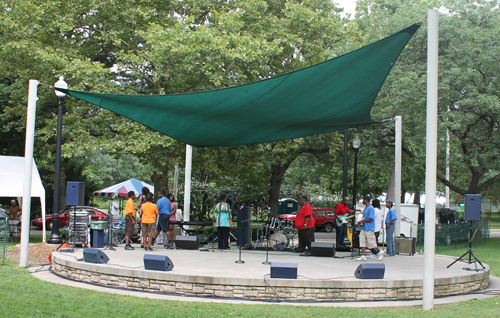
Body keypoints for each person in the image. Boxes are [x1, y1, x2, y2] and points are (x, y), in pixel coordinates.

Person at [356, 195, 384, 261]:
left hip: (369, 228)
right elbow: (365, 217)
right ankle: (363, 255)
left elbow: (371, 218)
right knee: (362, 240)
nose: (362, 201)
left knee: (371, 243)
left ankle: (380, 251)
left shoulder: (371, 208)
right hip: (364, 228)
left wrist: (363, 221)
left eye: (363, 200)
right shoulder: (365, 208)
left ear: (366, 200)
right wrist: (361, 221)